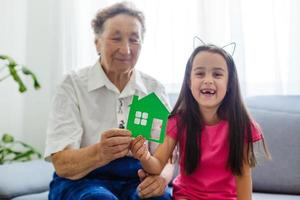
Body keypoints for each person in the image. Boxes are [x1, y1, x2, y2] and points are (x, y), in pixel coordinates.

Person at [44, 2, 174, 200]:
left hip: (137, 177)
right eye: (116, 38)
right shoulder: (72, 85)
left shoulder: (154, 89)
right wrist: (99, 152)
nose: (126, 49)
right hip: (82, 180)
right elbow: (61, 163)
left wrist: (162, 179)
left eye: (134, 40)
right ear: (97, 42)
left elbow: (168, 158)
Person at [131, 44, 270, 200]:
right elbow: (156, 165)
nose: (208, 80)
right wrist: (144, 156)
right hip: (187, 196)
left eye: (217, 74)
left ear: (229, 83)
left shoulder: (241, 125)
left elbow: (243, 176)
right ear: (190, 82)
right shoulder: (178, 122)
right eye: (200, 74)